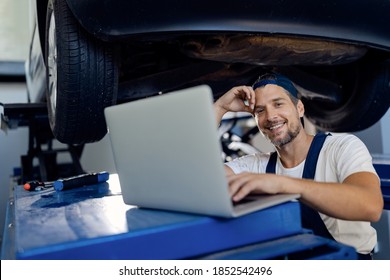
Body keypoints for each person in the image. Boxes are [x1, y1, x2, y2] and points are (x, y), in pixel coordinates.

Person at [213, 72, 384, 259]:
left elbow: (370, 206)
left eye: (278, 104)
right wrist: (220, 107)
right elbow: (197, 180)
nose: (270, 116)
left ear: (300, 108)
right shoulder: (256, 164)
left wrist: (283, 185)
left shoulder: (342, 147)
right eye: (260, 111)